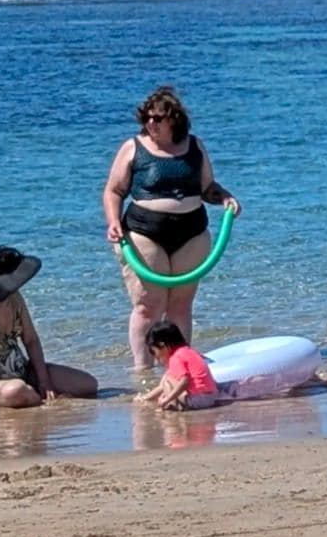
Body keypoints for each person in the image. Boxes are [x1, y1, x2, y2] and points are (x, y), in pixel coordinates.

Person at [101, 86, 240, 369]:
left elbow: (207, 188)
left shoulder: (194, 146)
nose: (150, 123)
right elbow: (114, 191)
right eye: (147, 118)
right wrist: (113, 221)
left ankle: (180, 368)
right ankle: (142, 369)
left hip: (191, 233)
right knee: (148, 305)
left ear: (174, 119)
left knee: (180, 305)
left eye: (157, 118)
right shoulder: (133, 148)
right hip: (143, 233)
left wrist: (225, 198)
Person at [0, 246, 100, 409]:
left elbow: (30, 340)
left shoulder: (14, 298)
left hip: (23, 372)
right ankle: (38, 399)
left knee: (87, 384)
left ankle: (35, 396)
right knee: (15, 390)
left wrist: (45, 381)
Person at [139, 320, 217, 411]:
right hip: (212, 397)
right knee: (168, 379)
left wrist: (167, 399)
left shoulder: (176, 358)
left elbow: (184, 381)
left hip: (197, 401)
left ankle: (171, 405)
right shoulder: (189, 351)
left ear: (162, 345)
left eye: (154, 352)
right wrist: (146, 398)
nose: (156, 357)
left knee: (167, 380)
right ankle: (165, 400)